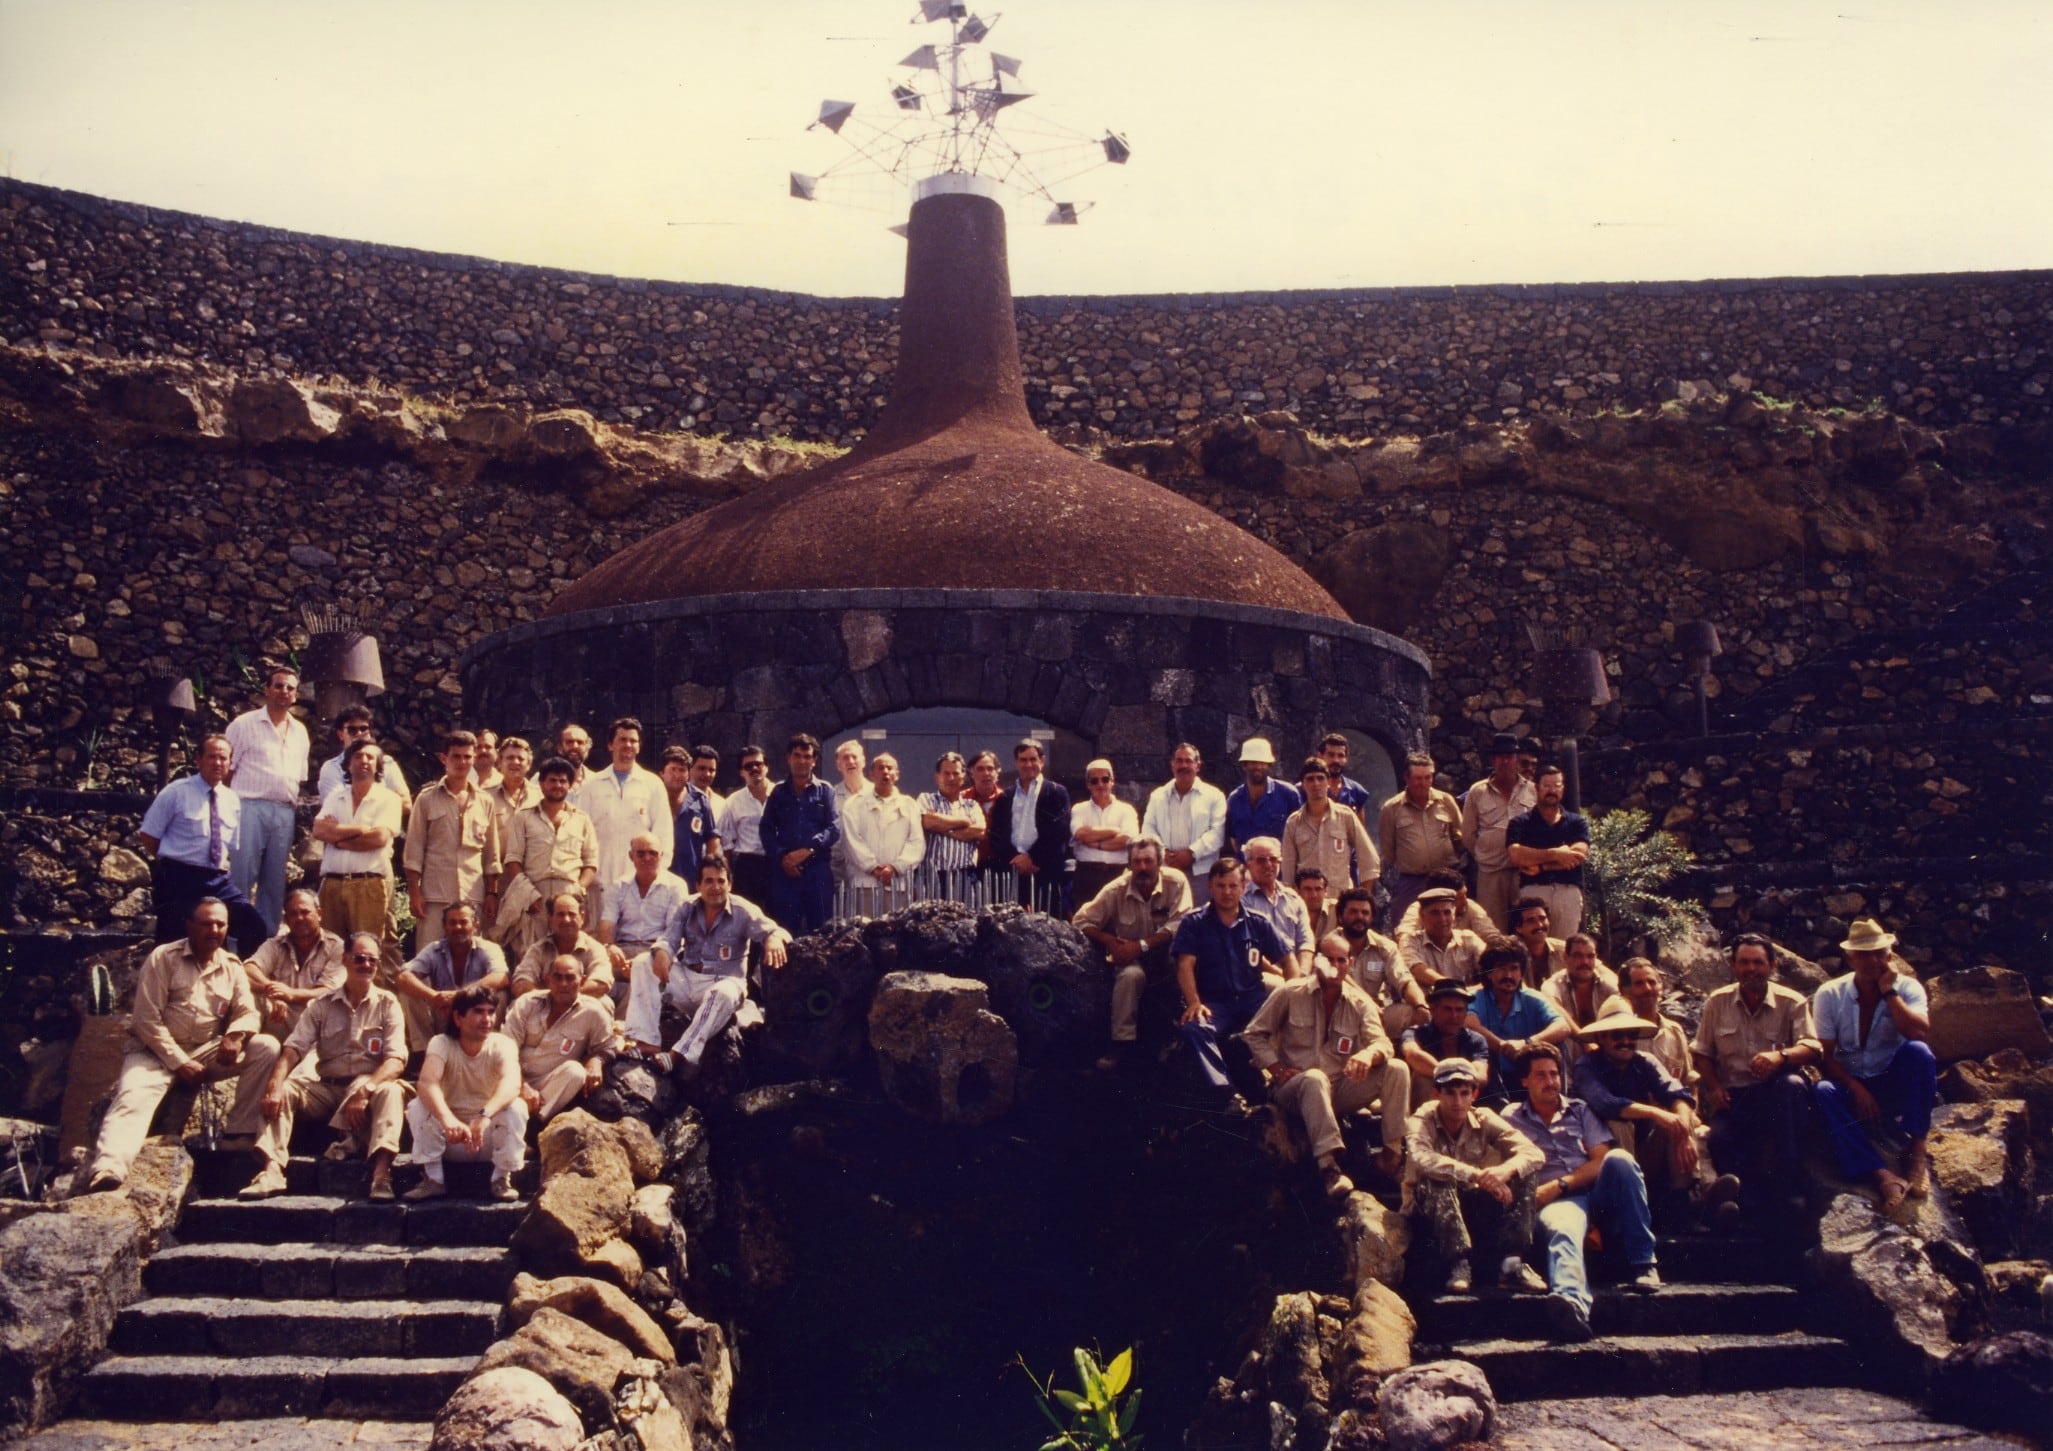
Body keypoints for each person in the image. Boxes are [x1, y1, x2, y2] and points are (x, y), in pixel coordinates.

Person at [86, 899, 281, 1191]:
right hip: (154, 1052)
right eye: (206, 924)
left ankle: (238, 1133)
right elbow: (146, 1021)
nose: (214, 930)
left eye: (220, 924)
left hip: (204, 1051)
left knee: (265, 1046)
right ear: (189, 926)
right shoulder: (164, 958)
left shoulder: (231, 965)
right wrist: (180, 1063)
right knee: (132, 1098)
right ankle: (109, 1168)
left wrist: (235, 1035)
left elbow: (247, 1012)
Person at [1505, 1044, 1662, 1342]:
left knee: (1621, 1160)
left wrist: (1562, 1183)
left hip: (1592, 1193)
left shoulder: (1580, 1109)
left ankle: (1644, 1262)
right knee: (1563, 1228)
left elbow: (1600, 1159)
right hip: (1558, 1203)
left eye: (1555, 1074)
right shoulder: (1512, 1118)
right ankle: (1572, 1305)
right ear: (1524, 1081)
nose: (1551, 1081)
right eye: (1541, 1075)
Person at [238, 932, 407, 1201]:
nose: (366, 965)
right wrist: (275, 1084)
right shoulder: (321, 1004)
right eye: (359, 958)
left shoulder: (388, 1004)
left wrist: (365, 1091)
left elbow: (396, 1060)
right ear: (345, 961)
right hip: (326, 1089)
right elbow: (294, 1048)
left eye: (372, 960)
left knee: (392, 1092)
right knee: (287, 1090)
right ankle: (272, 1170)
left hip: (366, 1089)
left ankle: (381, 1176)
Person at [1244, 932, 1400, 1199]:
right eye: (1329, 959)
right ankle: (1329, 1168)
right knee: (1314, 1078)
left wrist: (1368, 1055)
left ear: (1350, 964)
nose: (1335, 966)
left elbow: (1383, 1044)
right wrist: (1276, 1069)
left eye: (1342, 961)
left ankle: (1393, 1158)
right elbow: (1253, 1034)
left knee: (1396, 1069)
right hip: (1293, 1089)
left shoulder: (1360, 1003)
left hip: (1337, 1089)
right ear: (1317, 961)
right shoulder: (1290, 992)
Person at [1812, 918, 1937, 1209]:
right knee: (1822, 1091)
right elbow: (1825, 1056)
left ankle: (1916, 1149)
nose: (1872, 960)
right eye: (1863, 954)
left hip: (1891, 1083)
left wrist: (1888, 992)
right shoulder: (1830, 994)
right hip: (1850, 1084)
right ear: (1849, 957)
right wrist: (1856, 1088)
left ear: (1890, 955)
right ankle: (1882, 1175)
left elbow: (1918, 1032)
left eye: (1879, 953)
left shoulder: (1908, 988)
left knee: (1919, 1052)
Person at [1692, 933, 1819, 1216]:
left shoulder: (1792, 1002)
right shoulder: (1717, 1002)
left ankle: (1792, 1187)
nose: (1751, 969)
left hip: (1776, 1094)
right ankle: (1743, 1204)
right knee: (1719, 1139)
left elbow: (1812, 1047)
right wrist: (1713, 1087)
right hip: (1734, 1095)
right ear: (1733, 966)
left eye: (1758, 963)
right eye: (1744, 962)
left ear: (1772, 966)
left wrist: (1780, 1056)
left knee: (1793, 1084)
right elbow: (1701, 1052)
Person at [626, 859, 790, 1073]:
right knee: (642, 963)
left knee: (722, 993)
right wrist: (662, 952)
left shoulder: (742, 910)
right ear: (698, 886)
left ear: (729, 884)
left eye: (721, 881)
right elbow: (669, 938)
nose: (715, 887)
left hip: (725, 983)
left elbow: (776, 931)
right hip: (688, 980)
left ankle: (677, 1055)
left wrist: (773, 939)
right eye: (709, 881)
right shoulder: (687, 906)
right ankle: (646, 1042)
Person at [1403, 1058, 1545, 1295]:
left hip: (1470, 1207)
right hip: (1425, 1211)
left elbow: (1534, 1153)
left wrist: (1503, 1171)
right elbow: (1421, 1158)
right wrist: (1477, 1175)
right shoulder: (1422, 1119)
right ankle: (1458, 1263)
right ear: (1436, 1093)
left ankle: (1513, 1263)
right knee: (1437, 1177)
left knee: (1524, 1172)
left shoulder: (1483, 1117)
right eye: (1450, 1093)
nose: (1458, 1102)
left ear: (1474, 1094)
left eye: (1464, 1093)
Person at [1172, 858, 1291, 1105]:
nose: (1227, 892)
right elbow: (1185, 965)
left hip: (1254, 1001)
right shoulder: (1193, 923)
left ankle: (1287, 1082)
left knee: (1293, 1018)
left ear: (1244, 886)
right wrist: (1193, 1002)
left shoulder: (1258, 922)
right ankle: (1225, 1091)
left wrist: (1295, 994)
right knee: (1195, 1027)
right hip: (1215, 1003)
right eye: (1221, 885)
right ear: (1210, 887)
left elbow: (1289, 960)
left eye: (1233, 885)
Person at [136, 733, 269, 952]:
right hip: (178, 878)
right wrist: (172, 861)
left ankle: (237, 980)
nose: (218, 762)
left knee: (253, 926)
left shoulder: (231, 799)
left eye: (223, 758)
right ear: (198, 760)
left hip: (216, 879)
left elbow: (227, 847)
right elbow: (149, 835)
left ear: (230, 762)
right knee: (173, 944)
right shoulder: (176, 792)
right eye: (212, 757)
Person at [1571, 999, 1706, 1206]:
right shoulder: (1586, 1066)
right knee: (1620, 1124)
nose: (1625, 1041)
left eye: (1631, 1035)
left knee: (1679, 1121)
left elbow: (1678, 1094)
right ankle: (1627, 1202)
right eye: (1617, 1035)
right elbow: (1607, 1104)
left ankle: (1685, 1201)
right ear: (1601, 1038)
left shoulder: (1645, 1061)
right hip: (1601, 1158)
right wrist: (1656, 1113)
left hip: (1645, 1150)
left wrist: (1683, 1128)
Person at [1075, 836, 1193, 1072]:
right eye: (1136, 862)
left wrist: (1142, 945)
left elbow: (1181, 922)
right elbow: (1080, 921)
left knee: (1186, 963)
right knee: (1130, 977)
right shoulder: (1115, 889)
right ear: (1128, 864)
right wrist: (1109, 941)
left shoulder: (1176, 881)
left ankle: (1178, 1038)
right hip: (1130, 957)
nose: (1142, 867)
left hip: (1167, 954)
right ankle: (1122, 1045)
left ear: (1160, 862)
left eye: (1148, 861)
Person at [405, 985, 527, 1202]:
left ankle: (501, 1179)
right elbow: (427, 1083)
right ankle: (434, 1179)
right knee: (418, 1106)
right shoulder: (440, 1043)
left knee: (516, 1107)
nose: (487, 1019)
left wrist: (484, 1116)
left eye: (491, 1012)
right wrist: (449, 1120)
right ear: (458, 1018)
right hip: (453, 1138)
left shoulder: (503, 1044)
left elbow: (512, 1083)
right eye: (478, 1012)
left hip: (488, 1137)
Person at [223, 665, 309, 940]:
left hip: (284, 811)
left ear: (295, 695)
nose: (284, 691)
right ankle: (233, 941)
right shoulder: (243, 724)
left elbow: (299, 777)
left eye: (290, 688)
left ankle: (266, 943)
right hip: (249, 807)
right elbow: (227, 771)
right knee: (241, 876)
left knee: (274, 882)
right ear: (267, 689)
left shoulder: (300, 732)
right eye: (279, 685)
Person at [403, 731, 500, 951]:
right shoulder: (426, 799)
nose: (462, 762)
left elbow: (491, 855)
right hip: (435, 895)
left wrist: (491, 894)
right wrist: (415, 893)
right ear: (444, 758)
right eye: (456, 756)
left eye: (467, 756)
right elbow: (414, 850)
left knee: (472, 955)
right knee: (429, 954)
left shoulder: (485, 802)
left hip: (472, 895)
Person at [312, 738, 404, 965]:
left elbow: (379, 838)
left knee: (369, 955)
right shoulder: (336, 796)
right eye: (358, 756)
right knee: (330, 955)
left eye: (370, 757)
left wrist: (340, 838)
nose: (364, 761)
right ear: (348, 764)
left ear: (378, 766)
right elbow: (319, 830)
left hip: (368, 886)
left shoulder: (389, 798)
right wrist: (361, 830)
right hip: (332, 886)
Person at [498, 757, 599, 957]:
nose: (557, 786)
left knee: (568, 955)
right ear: (542, 784)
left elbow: (591, 862)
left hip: (569, 894)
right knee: (531, 954)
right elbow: (513, 860)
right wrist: (528, 894)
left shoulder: (581, 819)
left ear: (570, 786)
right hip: (535, 895)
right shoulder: (524, 818)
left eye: (563, 781)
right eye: (552, 780)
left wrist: (577, 890)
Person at [576, 717, 671, 927]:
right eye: (622, 740)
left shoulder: (652, 784)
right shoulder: (592, 785)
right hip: (599, 883)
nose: (628, 745)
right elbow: (580, 833)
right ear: (611, 745)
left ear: (639, 746)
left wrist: (654, 879)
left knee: (634, 942)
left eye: (633, 740)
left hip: (639, 885)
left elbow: (663, 835)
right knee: (599, 943)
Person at [502, 955, 616, 1123]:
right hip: (512, 1076)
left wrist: (597, 1060)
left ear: (582, 981)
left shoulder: (593, 1012)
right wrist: (521, 1086)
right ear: (547, 979)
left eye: (570, 978)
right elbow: (506, 1049)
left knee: (575, 1072)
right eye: (557, 977)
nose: (563, 984)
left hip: (549, 1084)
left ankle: (533, 1124)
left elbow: (609, 1046)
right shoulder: (526, 1003)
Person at [1396, 978, 1500, 1148]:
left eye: (1460, 1010)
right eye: (1448, 1009)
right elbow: (1413, 1054)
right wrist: (1449, 1076)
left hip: (1464, 1108)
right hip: (1424, 1109)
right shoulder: (1415, 1033)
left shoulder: (1475, 1039)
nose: (1454, 1016)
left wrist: (1452, 1080)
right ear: (1433, 1009)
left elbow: (1481, 1076)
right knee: (1424, 1080)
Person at [396, 901, 513, 1048]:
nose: (458, 927)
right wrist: (433, 996)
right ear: (445, 927)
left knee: (500, 994)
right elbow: (402, 977)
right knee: (408, 993)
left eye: (463, 922)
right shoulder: (434, 949)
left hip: (476, 1015)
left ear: (475, 926)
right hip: (444, 1014)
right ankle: (423, 1052)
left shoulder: (489, 948)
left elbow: (501, 977)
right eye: (452, 923)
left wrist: (459, 996)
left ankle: (486, 1046)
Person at [242, 887, 346, 1040]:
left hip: (317, 1021)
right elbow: (247, 969)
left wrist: (290, 994)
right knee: (253, 995)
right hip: (281, 1015)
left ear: (319, 914)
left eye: (305, 912)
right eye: (293, 914)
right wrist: (270, 989)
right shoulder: (274, 945)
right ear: (286, 919)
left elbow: (329, 991)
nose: (299, 918)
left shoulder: (336, 947)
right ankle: (241, 1044)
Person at [1467, 943, 1572, 1095]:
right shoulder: (1477, 998)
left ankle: (1557, 1099)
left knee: (1558, 1044)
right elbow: (1469, 1025)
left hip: (1529, 1076)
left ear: (1521, 973)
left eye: (1514, 968)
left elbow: (1563, 1027)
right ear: (1489, 973)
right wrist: (1502, 1046)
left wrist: (1526, 1044)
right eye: (1502, 968)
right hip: (1492, 1077)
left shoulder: (1532, 999)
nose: (1509, 975)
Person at [761, 733, 840, 933]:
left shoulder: (825, 791)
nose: (802, 761)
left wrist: (809, 849)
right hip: (785, 873)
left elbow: (834, 828)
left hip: (817, 872)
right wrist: (783, 858)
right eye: (797, 755)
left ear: (814, 761)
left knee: (821, 932)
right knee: (785, 931)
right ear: (788, 758)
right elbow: (766, 829)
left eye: (807, 757)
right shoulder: (778, 792)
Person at [1378, 752, 1465, 930]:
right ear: (1406, 778)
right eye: (1418, 778)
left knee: (1451, 928)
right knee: (1405, 928)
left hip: (1446, 878)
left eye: (1428, 777)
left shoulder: (1446, 801)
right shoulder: (1392, 808)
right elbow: (1388, 850)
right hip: (1412, 882)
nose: (1423, 783)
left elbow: (1460, 837)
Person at [984, 738, 1072, 913]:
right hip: (1013, 871)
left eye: (1033, 759)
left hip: (1044, 870)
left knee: (1048, 924)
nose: (1028, 764)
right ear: (1016, 762)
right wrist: (1016, 859)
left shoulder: (1056, 792)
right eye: (1023, 760)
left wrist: (1031, 858)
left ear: (1042, 761)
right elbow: (996, 834)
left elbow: (1058, 830)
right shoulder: (1006, 796)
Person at [1461, 733, 1537, 932]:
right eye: (1500, 756)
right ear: (1493, 760)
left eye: (1510, 756)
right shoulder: (1477, 791)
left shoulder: (1532, 791)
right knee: (1492, 928)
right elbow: (1468, 833)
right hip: (1490, 873)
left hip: (1524, 873)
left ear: (1516, 760)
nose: (1505, 761)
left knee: (1526, 926)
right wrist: (1484, 853)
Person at [597, 832, 690, 994]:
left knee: (640, 976)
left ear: (661, 855)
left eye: (652, 853)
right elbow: (607, 922)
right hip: (622, 951)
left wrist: (644, 959)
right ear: (631, 856)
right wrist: (609, 947)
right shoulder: (619, 885)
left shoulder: (676, 886)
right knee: (596, 971)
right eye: (641, 853)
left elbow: (673, 932)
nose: (647, 858)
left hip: (657, 952)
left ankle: (624, 1019)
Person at [1505, 765, 1590, 938]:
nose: (1552, 791)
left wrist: (1542, 867)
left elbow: (1578, 855)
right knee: (1532, 945)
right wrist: (1556, 854)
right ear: (1536, 788)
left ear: (1563, 788)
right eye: (1546, 786)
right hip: (1534, 892)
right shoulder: (1520, 823)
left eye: (1556, 785)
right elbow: (1516, 855)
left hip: (1568, 893)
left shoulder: (1577, 822)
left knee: (1564, 947)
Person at [1335, 886, 1425, 1042]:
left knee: (1412, 1013)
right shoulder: (1330, 944)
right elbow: (1339, 978)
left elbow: (1404, 979)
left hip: (1377, 1016)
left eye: (1365, 913)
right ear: (1340, 916)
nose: (1359, 917)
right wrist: (1369, 1005)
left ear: (1372, 917)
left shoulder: (1385, 947)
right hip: (1339, 1014)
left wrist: (1421, 1006)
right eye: (1353, 912)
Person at [840, 752, 925, 914]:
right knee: (863, 933)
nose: (885, 772)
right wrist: (873, 868)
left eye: (889, 768)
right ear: (871, 774)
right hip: (864, 884)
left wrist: (895, 868)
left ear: (897, 775)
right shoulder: (854, 804)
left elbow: (916, 842)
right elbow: (851, 841)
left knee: (896, 934)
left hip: (898, 885)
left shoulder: (910, 805)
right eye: (880, 768)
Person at [1281, 756, 1379, 893]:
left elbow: (1369, 858)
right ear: (1302, 785)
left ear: (1328, 782)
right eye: (1310, 779)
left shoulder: (1345, 816)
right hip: (1306, 902)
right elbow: (1287, 870)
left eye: (1320, 778)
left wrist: (1362, 896)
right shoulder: (1293, 822)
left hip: (1340, 901)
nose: (1316, 783)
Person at [1142, 742, 1228, 884]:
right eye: (1179, 761)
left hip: (1201, 871)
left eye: (1189, 761)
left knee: (1200, 907)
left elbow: (1217, 833)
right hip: (1166, 868)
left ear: (1198, 766)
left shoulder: (1214, 795)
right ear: (1173, 765)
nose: (1183, 765)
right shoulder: (1157, 796)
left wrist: (1191, 854)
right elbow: (1148, 828)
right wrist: (1162, 853)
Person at [512, 894, 613, 1001]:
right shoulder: (539, 949)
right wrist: (550, 998)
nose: (566, 920)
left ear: (582, 917)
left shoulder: (594, 948)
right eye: (560, 915)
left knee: (604, 1003)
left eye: (572, 914)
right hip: (545, 1006)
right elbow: (521, 983)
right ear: (550, 919)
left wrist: (565, 996)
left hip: (582, 1005)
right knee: (519, 1005)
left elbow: (601, 983)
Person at [1240, 837, 1316, 978]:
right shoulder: (1242, 902)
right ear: (1248, 864)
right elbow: (1249, 950)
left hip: (1298, 973)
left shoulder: (1294, 899)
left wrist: (1302, 972)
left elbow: (1305, 942)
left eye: (1273, 859)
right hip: (1262, 975)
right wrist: (1287, 976)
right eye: (1261, 860)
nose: (1269, 865)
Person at [1539, 933, 1618, 1068]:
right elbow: (1553, 1006)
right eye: (1578, 956)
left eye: (1590, 956)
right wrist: (1585, 1041)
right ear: (1565, 957)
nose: (1585, 962)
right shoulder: (1553, 985)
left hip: (1607, 1059)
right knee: (1561, 1033)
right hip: (1569, 1061)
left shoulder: (1607, 984)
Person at [1069, 758, 1139, 907]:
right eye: (1094, 781)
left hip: (1117, 875)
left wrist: (1095, 843)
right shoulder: (1078, 809)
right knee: (1084, 925)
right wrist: (1114, 831)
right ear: (1088, 784)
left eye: (1105, 779)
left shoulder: (1126, 810)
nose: (1100, 784)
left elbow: (1126, 841)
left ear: (1112, 781)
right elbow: (1081, 834)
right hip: (1086, 876)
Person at [917, 750, 986, 897]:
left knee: (967, 919)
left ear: (963, 777)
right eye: (946, 773)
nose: (951, 778)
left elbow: (979, 831)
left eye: (955, 773)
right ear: (937, 777)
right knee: (934, 919)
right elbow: (928, 822)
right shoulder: (926, 799)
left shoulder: (971, 805)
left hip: (966, 876)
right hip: (934, 878)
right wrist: (963, 821)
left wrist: (943, 828)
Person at [1620, 957, 1695, 1088]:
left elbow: (1688, 1079)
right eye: (1639, 984)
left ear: (1661, 987)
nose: (1648, 989)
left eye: (1652, 982)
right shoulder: (1620, 1035)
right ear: (1625, 991)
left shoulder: (1674, 1031)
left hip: (1677, 1106)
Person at [719, 745, 778, 907]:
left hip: (778, 863)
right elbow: (727, 845)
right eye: (748, 766)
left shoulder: (782, 794)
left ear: (767, 767)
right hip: (748, 868)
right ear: (741, 772)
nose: (754, 768)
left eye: (758, 764)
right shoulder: (733, 801)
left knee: (779, 917)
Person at [1224, 738, 1303, 859]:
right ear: (1244, 765)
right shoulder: (1235, 799)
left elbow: (1300, 835)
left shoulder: (1288, 794)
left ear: (1269, 765)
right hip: (1246, 870)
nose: (1258, 767)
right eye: (1253, 762)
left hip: (1278, 868)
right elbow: (1233, 839)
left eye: (1262, 763)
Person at [1399, 886, 1488, 990]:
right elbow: (1416, 969)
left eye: (1447, 912)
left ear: (1454, 915)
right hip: (1426, 1004)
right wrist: (1454, 989)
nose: (1442, 919)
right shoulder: (1410, 940)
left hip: (1467, 1001)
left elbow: (1491, 968)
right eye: (1435, 913)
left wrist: (1466, 992)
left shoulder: (1468, 939)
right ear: (1422, 916)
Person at [1393, 869, 1500, 947]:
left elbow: (1491, 936)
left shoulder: (1470, 906)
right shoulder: (1419, 909)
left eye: (1465, 895)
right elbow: (1403, 936)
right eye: (1458, 898)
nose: (1464, 901)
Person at [669, 744, 722, 895]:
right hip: (662, 873)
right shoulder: (656, 796)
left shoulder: (701, 800)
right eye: (673, 770)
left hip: (691, 875)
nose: (706, 774)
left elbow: (712, 838)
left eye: (681, 770)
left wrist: (709, 873)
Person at [828, 738, 870, 897]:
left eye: (854, 757)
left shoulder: (876, 793)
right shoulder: (830, 795)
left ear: (863, 762)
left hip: (867, 871)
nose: (851, 761)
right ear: (838, 765)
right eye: (845, 758)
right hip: (838, 869)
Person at [485, 736, 541, 829]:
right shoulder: (486, 796)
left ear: (529, 764)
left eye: (521, 758)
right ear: (499, 762)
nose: (515, 762)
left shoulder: (540, 795)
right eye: (510, 758)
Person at [1317, 733, 1373, 822]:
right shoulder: (1306, 788)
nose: (1336, 760)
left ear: (1346, 758)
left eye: (1340, 756)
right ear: (1320, 756)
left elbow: (1359, 830)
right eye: (1331, 755)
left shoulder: (1356, 791)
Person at [1297, 868, 1335, 945]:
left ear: (1326, 891)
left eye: (1318, 889)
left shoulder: (1337, 910)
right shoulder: (1289, 912)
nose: (1314, 895)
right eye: (1308, 889)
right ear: (1298, 891)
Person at [554, 722, 593, 794]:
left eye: (580, 742)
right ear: (559, 748)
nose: (575, 746)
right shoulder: (542, 778)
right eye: (569, 742)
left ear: (588, 746)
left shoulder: (596, 780)